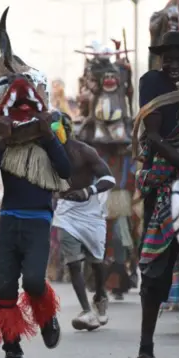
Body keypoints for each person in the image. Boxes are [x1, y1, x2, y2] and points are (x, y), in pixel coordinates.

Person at [0, 112, 71, 358]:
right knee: (6, 285)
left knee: (33, 281)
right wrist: (1, 143)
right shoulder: (0, 142)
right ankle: (11, 343)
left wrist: (50, 136)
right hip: (9, 220)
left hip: (38, 223)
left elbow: (65, 170)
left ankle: (46, 317)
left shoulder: (48, 141)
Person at [134, 31, 179, 358]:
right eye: (167, 58)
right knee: (156, 271)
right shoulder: (152, 82)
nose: (173, 64)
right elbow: (154, 136)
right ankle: (146, 346)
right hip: (166, 182)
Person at [51, 112, 116, 330]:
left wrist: (89, 191)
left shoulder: (84, 151)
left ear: (65, 129)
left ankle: (100, 296)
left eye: (54, 129)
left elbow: (109, 179)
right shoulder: (47, 153)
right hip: (65, 211)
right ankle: (86, 310)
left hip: (90, 211)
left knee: (96, 262)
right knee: (73, 262)